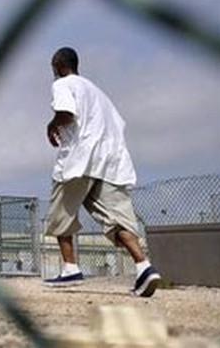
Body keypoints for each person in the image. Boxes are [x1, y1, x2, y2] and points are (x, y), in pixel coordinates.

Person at [42, 47, 161, 297]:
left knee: (61, 211)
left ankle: (70, 268)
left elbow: (66, 113)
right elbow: (119, 123)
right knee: (117, 218)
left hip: (80, 158)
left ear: (59, 65)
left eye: (54, 66)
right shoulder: (97, 91)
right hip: (110, 161)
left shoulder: (63, 84)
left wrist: (52, 124)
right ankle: (144, 267)